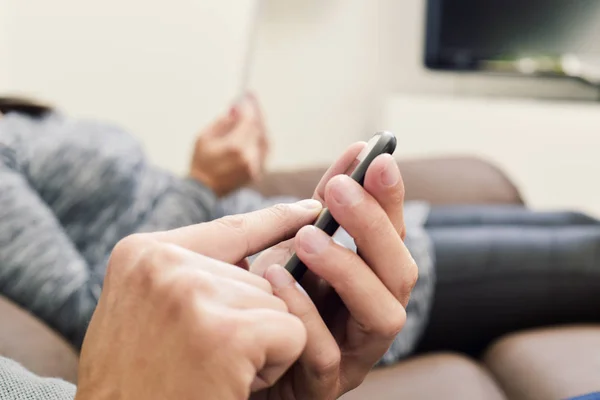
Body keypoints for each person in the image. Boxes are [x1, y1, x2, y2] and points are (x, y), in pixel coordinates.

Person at [0, 137, 417, 399]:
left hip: (262, 243)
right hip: (251, 250)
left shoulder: (27, 119)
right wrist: (202, 182)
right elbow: (99, 307)